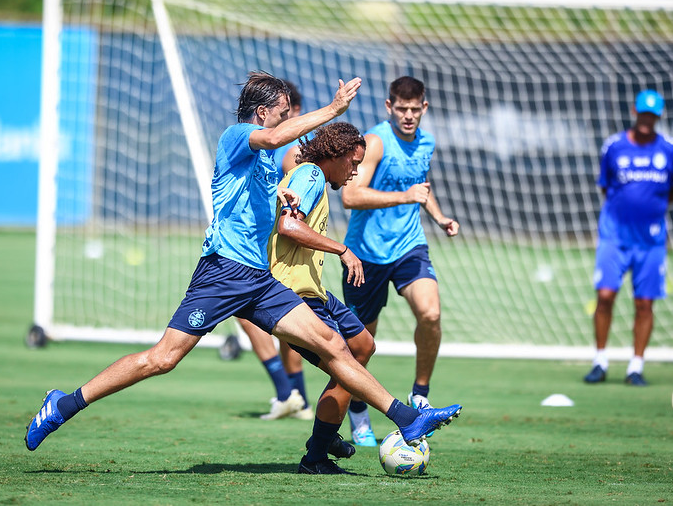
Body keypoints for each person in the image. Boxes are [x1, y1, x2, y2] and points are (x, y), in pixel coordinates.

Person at [24, 71, 462, 469]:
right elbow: (272, 142)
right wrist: (332, 110)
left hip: (259, 281)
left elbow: (264, 197)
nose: (288, 121)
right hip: (222, 273)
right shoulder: (237, 136)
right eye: (284, 113)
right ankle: (64, 404)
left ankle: (406, 419)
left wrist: (281, 199)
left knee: (336, 345)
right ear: (262, 113)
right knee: (162, 359)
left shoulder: (268, 161)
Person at [340, 76, 459, 446]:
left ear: (424, 108)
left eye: (415, 109)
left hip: (409, 246)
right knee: (362, 345)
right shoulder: (375, 142)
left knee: (431, 314)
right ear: (389, 107)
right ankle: (358, 409)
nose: (408, 116)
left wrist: (439, 217)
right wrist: (405, 196)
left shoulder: (427, 142)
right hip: (366, 255)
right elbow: (351, 196)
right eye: (402, 109)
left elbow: (419, 187)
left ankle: (419, 394)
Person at [268, 121, 375, 474]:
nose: (355, 172)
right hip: (293, 293)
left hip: (315, 290)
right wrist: (341, 249)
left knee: (363, 346)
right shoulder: (311, 175)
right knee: (347, 367)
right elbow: (288, 225)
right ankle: (317, 453)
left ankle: (324, 438)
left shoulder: (314, 178)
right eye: (353, 163)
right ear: (336, 155)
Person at [584, 89, 673, 387]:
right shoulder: (614, 146)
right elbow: (606, 187)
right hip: (614, 236)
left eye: (653, 116)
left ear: (658, 117)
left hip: (651, 240)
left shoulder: (668, 149)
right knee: (605, 296)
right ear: (635, 113)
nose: (647, 120)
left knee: (644, 303)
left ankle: (636, 366)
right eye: (643, 114)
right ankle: (600, 361)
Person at [236, 80, 313, 421]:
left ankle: (291, 394)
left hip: (277, 248)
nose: (282, 118)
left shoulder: (290, 148)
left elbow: (296, 206)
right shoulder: (266, 144)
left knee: (282, 321)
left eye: (285, 112)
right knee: (276, 322)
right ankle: (296, 398)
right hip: (268, 245)